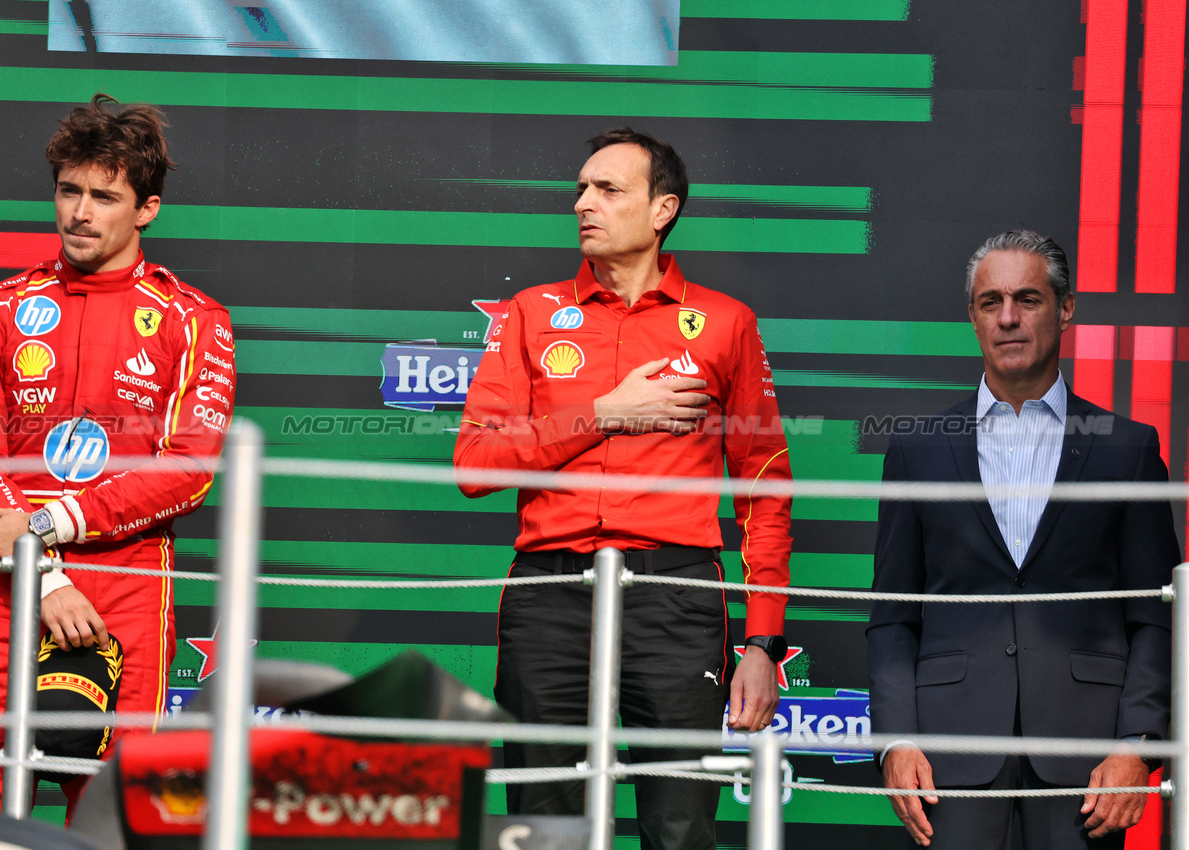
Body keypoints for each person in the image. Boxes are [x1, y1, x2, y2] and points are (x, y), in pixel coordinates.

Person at [453, 128, 793, 849]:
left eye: (607, 189)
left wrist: (762, 640)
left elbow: (764, 485)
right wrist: (602, 414)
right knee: (539, 822)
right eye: (580, 188)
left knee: (678, 824)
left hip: (675, 594)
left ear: (663, 208)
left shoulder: (726, 322)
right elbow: (475, 465)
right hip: (550, 590)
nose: (583, 204)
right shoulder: (530, 313)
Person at [0, 94, 236, 816]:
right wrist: (43, 576)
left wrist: (50, 531)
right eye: (69, 191)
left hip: (130, 583)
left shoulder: (193, 320)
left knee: (111, 807)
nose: (80, 212)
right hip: (17, 583)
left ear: (146, 210)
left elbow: (189, 471)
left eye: (104, 196)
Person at [866, 230, 1179, 848]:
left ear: (1065, 308)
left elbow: (1157, 618)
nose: (1008, 318)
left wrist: (1137, 746)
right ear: (973, 316)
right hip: (947, 760)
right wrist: (895, 741)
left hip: (1086, 763)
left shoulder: (1128, 447)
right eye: (991, 302)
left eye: (1028, 299)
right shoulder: (916, 447)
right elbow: (892, 617)